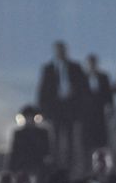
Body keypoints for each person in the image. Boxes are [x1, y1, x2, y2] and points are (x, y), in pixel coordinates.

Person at [37, 41, 90, 171]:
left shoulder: (75, 67)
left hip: (71, 108)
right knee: (55, 137)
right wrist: (42, 110)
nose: (61, 53)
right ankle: (56, 163)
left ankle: (69, 163)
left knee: (71, 137)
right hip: (56, 109)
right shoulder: (48, 69)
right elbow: (43, 90)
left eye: (62, 50)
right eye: (58, 50)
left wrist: (76, 97)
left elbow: (84, 88)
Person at [83, 53, 113, 156]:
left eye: (93, 63)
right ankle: (88, 161)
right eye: (90, 63)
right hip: (87, 113)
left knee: (102, 138)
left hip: (100, 112)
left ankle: (102, 161)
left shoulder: (103, 77)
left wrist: (109, 107)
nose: (92, 65)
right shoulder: (82, 78)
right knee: (88, 138)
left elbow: (108, 94)